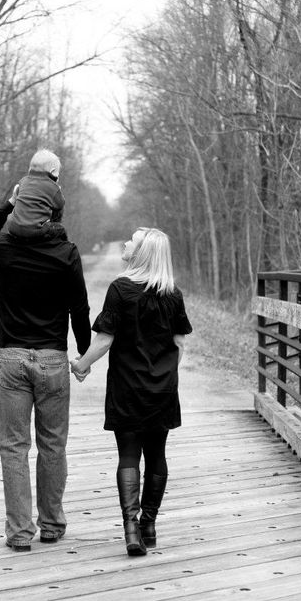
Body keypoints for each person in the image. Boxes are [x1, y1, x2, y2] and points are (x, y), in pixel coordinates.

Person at [0, 183, 91, 553]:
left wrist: (9, 201)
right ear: (54, 214)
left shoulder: (4, 247)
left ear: (20, 210)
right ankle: (53, 524)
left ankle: (20, 533)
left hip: (11, 358)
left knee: (13, 448)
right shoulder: (66, 252)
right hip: (53, 359)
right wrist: (84, 356)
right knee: (52, 444)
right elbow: (80, 308)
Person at [70, 228, 192, 557]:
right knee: (157, 456)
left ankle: (131, 528)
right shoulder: (172, 294)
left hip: (126, 385)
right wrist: (165, 371)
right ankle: (149, 524)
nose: (126, 243)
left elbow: (105, 340)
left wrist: (81, 365)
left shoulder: (121, 290)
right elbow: (180, 344)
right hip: (162, 389)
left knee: (128, 455)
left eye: (132, 241)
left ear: (141, 253)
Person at [6, 149, 65, 239]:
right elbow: (60, 204)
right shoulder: (52, 187)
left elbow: (17, 194)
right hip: (34, 231)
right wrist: (57, 190)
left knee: (15, 213)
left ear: (30, 169)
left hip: (12, 227)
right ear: (53, 172)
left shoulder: (23, 181)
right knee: (60, 229)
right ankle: (61, 246)